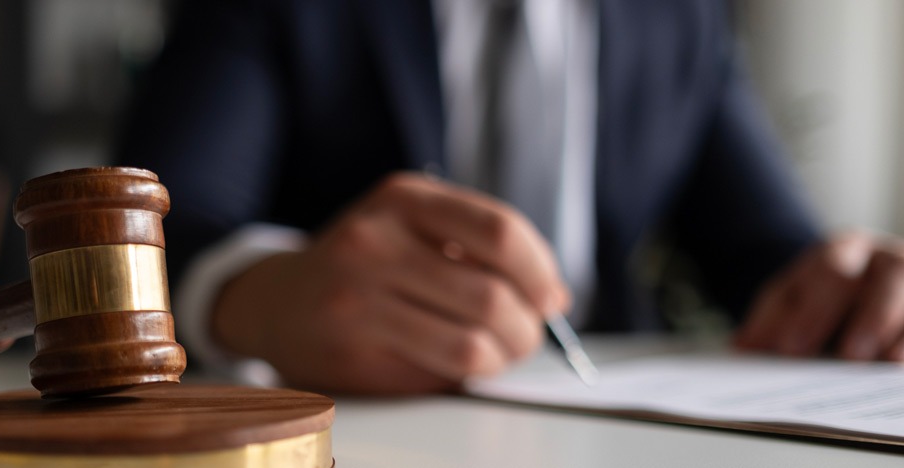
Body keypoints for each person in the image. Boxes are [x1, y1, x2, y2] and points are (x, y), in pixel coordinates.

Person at [117, 0, 904, 394]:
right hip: (352, 441)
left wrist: (853, 292)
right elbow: (149, 220)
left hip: (624, 460)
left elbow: (770, 255)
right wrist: (260, 298)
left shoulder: (678, 15)